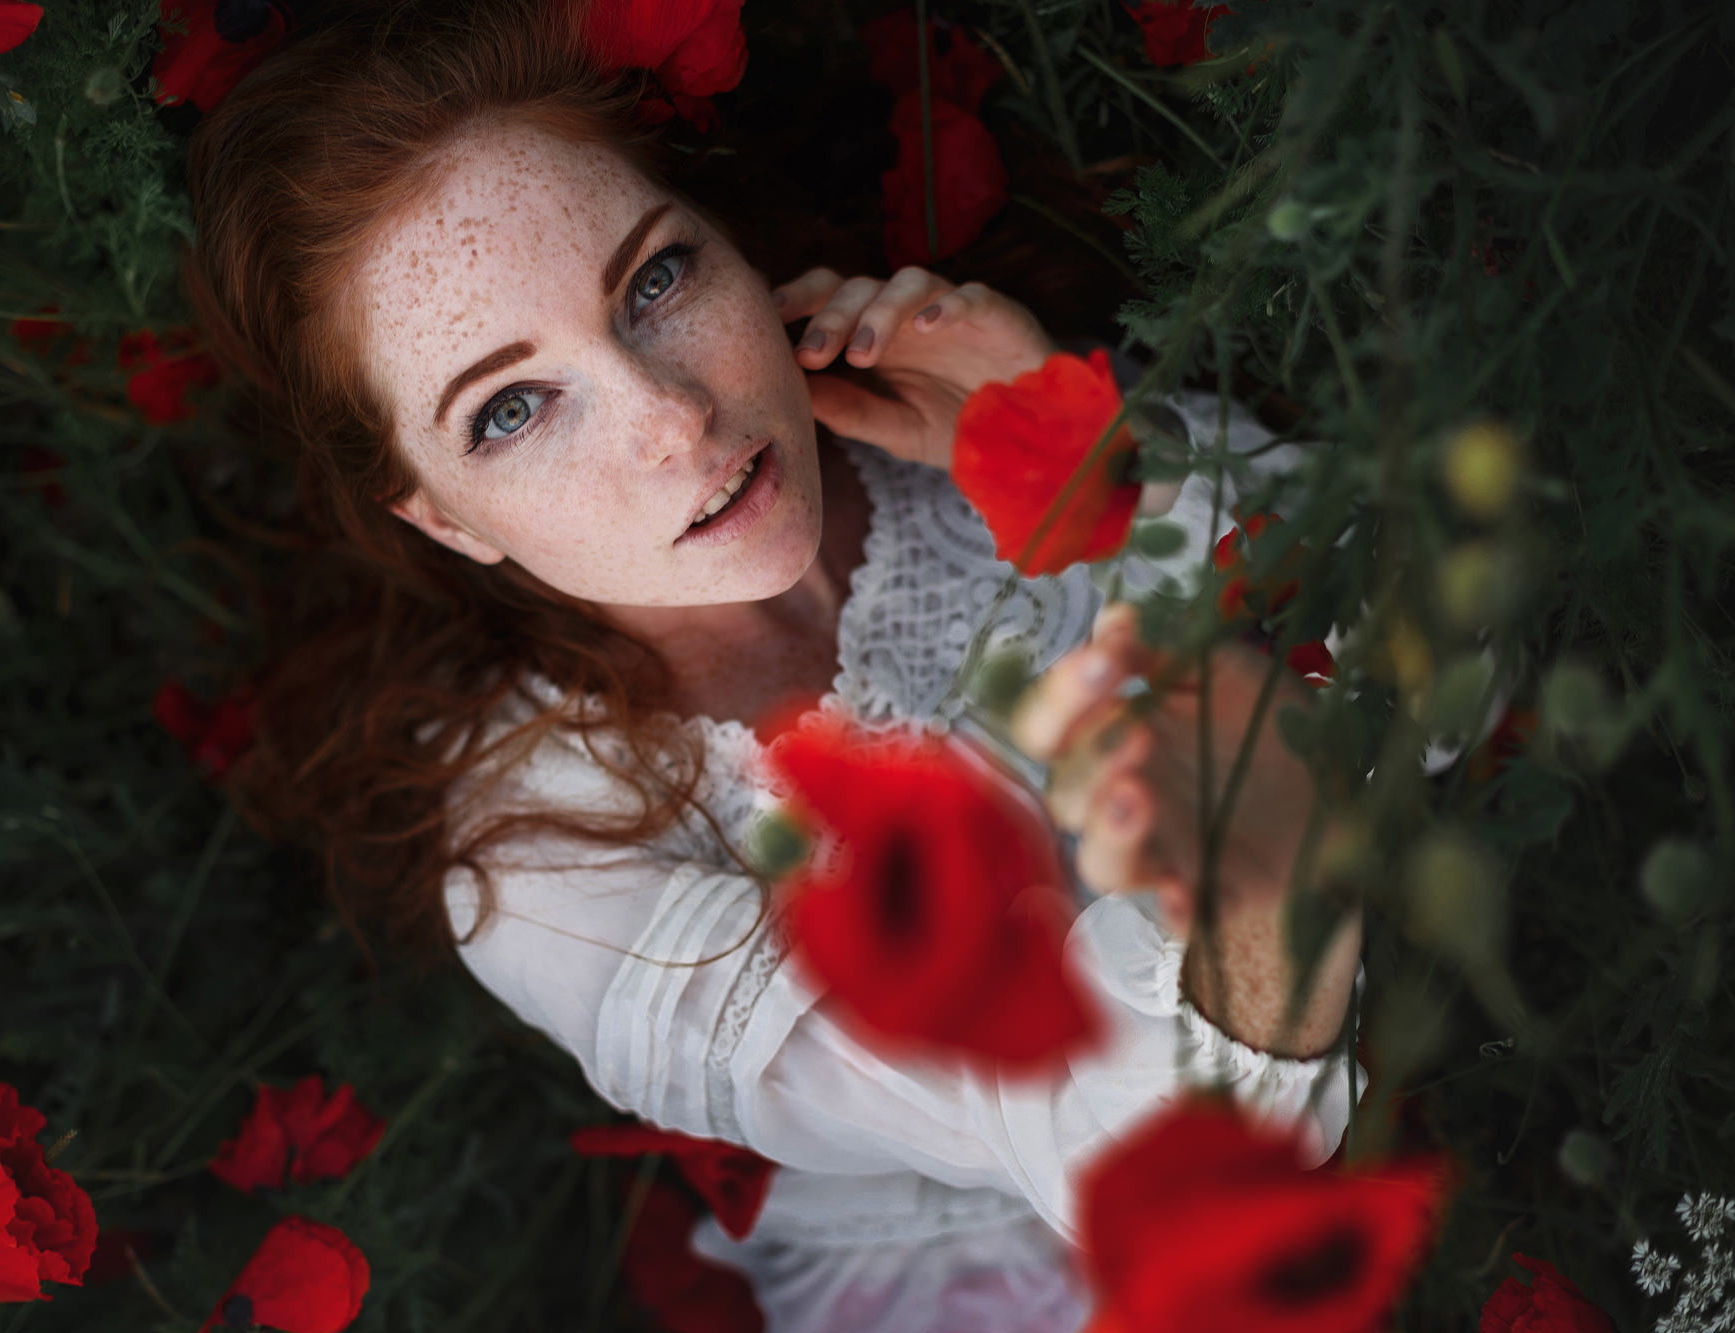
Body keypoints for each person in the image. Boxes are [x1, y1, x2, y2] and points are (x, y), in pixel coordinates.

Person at [182, 0, 1364, 1328]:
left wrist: (1099, 471)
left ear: (734, 243)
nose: (673, 417)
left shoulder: (951, 411)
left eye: (656, 280)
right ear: (442, 517)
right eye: (511, 408)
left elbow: (1460, 635)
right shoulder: (543, 865)